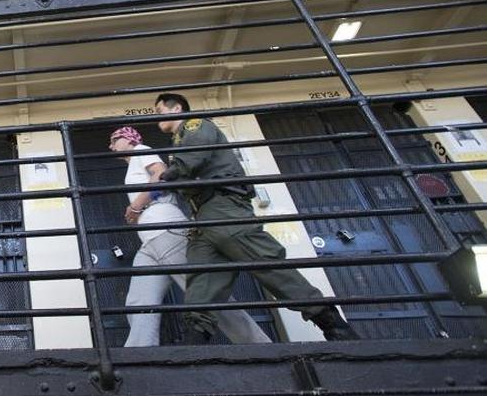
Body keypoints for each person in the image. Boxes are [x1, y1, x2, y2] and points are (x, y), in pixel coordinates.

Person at [151, 92, 359, 342]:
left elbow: (192, 159)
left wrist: (164, 177)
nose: (156, 117)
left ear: (176, 110)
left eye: (159, 111)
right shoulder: (179, 140)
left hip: (223, 208)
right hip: (204, 217)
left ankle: (332, 323)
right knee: (202, 281)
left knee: (266, 264)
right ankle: (193, 346)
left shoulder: (196, 126)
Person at [111, 126, 271, 347]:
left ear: (128, 139)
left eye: (114, 139)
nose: (111, 146)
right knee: (139, 300)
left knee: (202, 293)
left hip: (165, 228)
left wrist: (136, 206)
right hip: (150, 241)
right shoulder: (132, 166)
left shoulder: (142, 150)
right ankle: (140, 353)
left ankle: (259, 345)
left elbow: (161, 174)